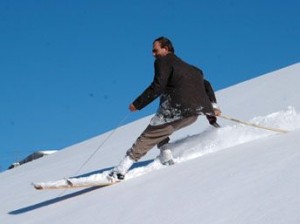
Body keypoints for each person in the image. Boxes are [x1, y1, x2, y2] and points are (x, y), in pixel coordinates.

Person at [108, 37, 221, 181]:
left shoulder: (163, 61)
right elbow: (206, 85)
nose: (153, 54)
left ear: (165, 49)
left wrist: (138, 104)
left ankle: (119, 171)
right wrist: (213, 108)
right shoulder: (195, 70)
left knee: (149, 135)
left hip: (176, 110)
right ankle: (166, 153)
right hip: (193, 114)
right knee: (160, 126)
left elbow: (158, 86)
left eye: (155, 50)